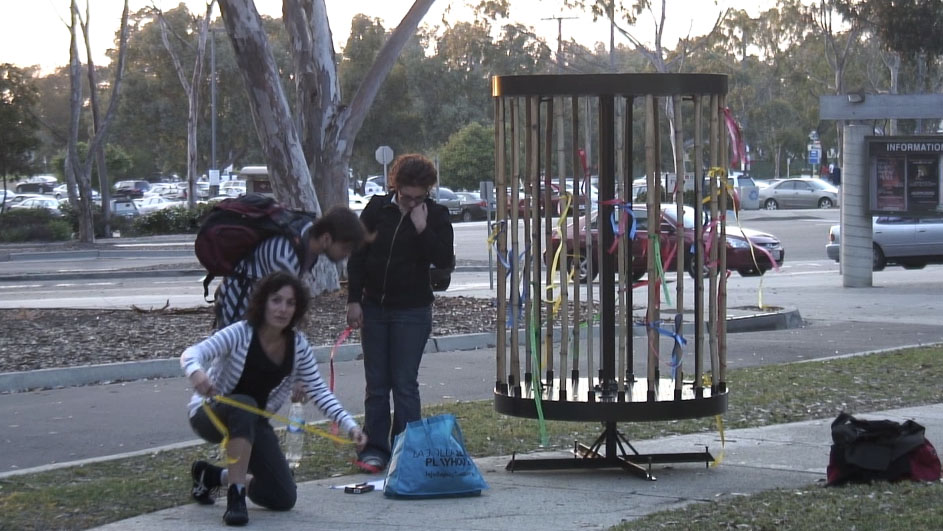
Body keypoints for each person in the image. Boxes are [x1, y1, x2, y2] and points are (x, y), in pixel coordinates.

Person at [182, 272, 368, 526]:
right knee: (245, 404)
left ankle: (212, 476)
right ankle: (235, 498)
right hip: (209, 414)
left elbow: (319, 390)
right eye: (276, 300)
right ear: (263, 302)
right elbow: (192, 353)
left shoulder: (298, 346)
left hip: (252, 424)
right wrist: (197, 374)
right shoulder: (241, 332)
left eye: (290, 303)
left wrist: (350, 426)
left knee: (282, 496)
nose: (282, 309)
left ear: (297, 309)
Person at [345, 154, 455, 471]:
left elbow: (444, 259)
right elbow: (358, 255)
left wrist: (422, 228)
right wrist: (354, 299)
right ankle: (374, 448)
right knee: (377, 384)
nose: (410, 203)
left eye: (419, 197)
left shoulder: (435, 215)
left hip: (413, 309)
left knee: (404, 384)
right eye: (406, 196)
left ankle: (407, 447)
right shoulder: (378, 209)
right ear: (396, 186)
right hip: (374, 307)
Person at [214, 205, 367, 330]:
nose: (347, 255)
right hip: (239, 310)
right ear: (326, 238)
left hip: (253, 312)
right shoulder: (285, 256)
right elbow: (282, 309)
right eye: (345, 248)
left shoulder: (305, 235)